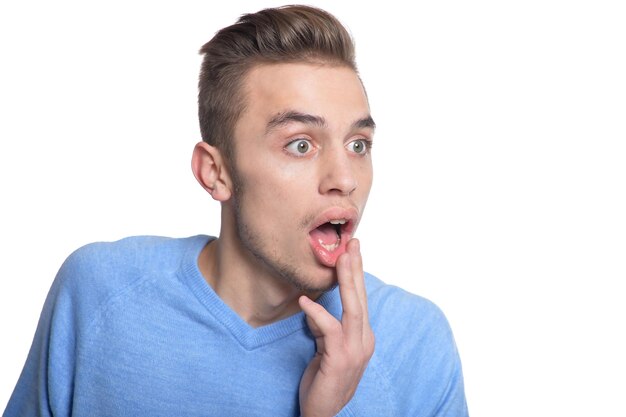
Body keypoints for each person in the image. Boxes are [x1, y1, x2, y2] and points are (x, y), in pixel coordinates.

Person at [3, 5, 468, 417]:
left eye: (358, 144)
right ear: (215, 173)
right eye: (301, 144)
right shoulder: (98, 293)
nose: (344, 178)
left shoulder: (416, 344)